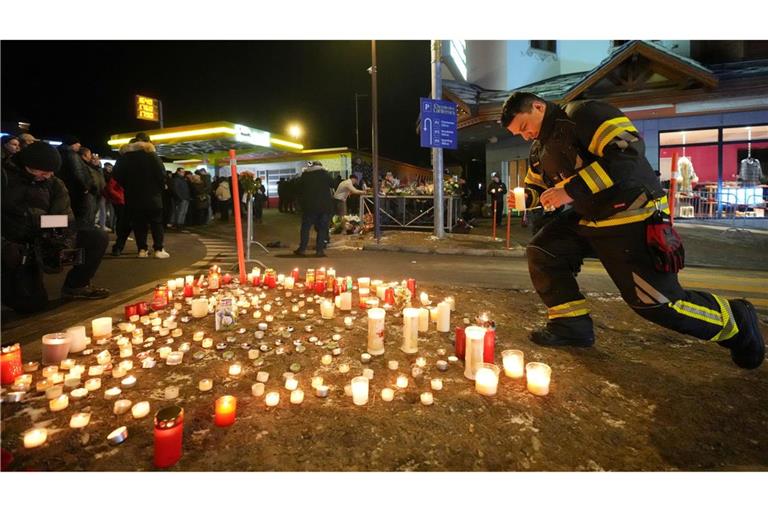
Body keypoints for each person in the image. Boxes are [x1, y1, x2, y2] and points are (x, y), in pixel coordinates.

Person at [500, 91, 764, 369]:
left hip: (633, 215)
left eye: (524, 126)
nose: (525, 136)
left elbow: (627, 152)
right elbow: (538, 186)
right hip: (591, 218)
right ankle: (570, 326)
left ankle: (735, 320)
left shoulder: (585, 114)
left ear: (538, 106)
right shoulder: (539, 149)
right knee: (544, 251)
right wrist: (526, 198)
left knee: (656, 303)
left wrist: (570, 191)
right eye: (519, 133)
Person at [2, 142, 109, 312]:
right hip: (11, 244)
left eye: (51, 172)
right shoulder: (5, 178)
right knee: (31, 305)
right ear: (27, 165)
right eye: (43, 172)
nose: (48, 176)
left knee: (96, 236)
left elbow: (64, 219)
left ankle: (76, 285)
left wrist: (59, 244)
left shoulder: (54, 184)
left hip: (40, 238)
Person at [112, 133, 170, 258]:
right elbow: (161, 174)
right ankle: (158, 249)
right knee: (156, 223)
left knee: (139, 224)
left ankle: (142, 250)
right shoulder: (151, 155)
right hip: (152, 196)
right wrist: (159, 188)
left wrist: (128, 186)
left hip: (133, 196)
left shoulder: (125, 157)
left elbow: (116, 175)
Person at [293, 161, 335, 257]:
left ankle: (302, 249)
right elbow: (333, 184)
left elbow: (297, 187)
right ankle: (319, 251)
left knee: (306, 228)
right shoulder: (325, 174)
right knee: (322, 229)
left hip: (309, 207)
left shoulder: (305, 175)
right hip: (324, 207)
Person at [56, 136, 96, 231]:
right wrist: (85, 188)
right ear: (72, 144)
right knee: (79, 215)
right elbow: (78, 172)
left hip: (63, 187)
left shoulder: (58, 153)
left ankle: (62, 232)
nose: (79, 146)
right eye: (78, 145)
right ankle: (79, 234)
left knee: (63, 212)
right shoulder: (72, 155)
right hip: (76, 190)